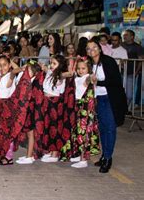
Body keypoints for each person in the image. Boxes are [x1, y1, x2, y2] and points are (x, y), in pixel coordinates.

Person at [87, 39, 127, 173]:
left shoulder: (108, 61)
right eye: (89, 48)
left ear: (99, 48)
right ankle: (104, 155)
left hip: (110, 99)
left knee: (110, 128)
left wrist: (98, 82)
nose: (91, 50)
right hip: (98, 99)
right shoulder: (90, 64)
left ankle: (108, 158)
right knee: (102, 128)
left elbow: (115, 81)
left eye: (94, 48)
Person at [61, 57, 100, 168]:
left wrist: (92, 78)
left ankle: (84, 159)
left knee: (83, 133)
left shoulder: (87, 77)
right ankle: (78, 154)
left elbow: (90, 80)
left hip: (85, 110)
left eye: (83, 68)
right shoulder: (77, 78)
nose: (80, 70)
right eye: (79, 68)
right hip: (78, 107)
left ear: (89, 69)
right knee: (77, 132)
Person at [37, 54, 73, 163]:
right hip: (47, 102)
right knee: (47, 127)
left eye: (54, 64)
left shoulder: (60, 75)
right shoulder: (50, 72)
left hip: (55, 103)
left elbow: (70, 73)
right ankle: (49, 150)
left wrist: (70, 61)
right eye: (51, 63)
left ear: (60, 65)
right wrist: (43, 66)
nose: (51, 65)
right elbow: (45, 67)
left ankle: (55, 153)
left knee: (55, 127)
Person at [122, 30, 144, 105]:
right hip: (120, 72)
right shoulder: (121, 45)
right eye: (124, 35)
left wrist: (136, 72)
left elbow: (141, 61)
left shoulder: (138, 47)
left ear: (132, 37)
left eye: (126, 35)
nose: (124, 36)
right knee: (120, 92)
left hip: (131, 73)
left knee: (129, 94)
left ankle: (127, 108)